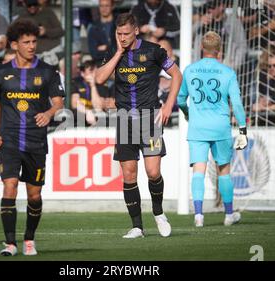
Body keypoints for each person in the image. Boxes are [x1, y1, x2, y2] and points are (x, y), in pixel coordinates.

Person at [95, 13, 182, 238]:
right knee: (129, 174)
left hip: (149, 118)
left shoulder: (153, 50)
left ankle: (159, 212)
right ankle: (137, 227)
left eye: (126, 34)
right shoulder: (115, 53)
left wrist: (168, 105)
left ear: (136, 31)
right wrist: (118, 52)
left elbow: (176, 75)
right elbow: (99, 79)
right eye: (119, 34)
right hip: (124, 119)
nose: (122, 38)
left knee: (153, 172)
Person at [0, 19, 64, 256]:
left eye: (34, 41)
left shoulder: (48, 71)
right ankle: (10, 243)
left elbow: (59, 103)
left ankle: (29, 239)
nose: (32, 46)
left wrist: (50, 113)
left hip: (36, 141)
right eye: (26, 42)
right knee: (9, 187)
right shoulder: (0, 72)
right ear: (13, 44)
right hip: (9, 140)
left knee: (34, 195)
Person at [177, 31, 248, 228]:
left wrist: (188, 113)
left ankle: (199, 215)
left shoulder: (190, 70)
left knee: (198, 171)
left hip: (198, 127)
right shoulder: (228, 72)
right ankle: (228, 214)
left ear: (202, 48)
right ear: (219, 50)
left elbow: (180, 99)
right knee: (224, 170)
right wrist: (242, 129)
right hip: (220, 128)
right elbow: (237, 103)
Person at [71, 60, 111, 126]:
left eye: (96, 71)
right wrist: (88, 112)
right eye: (91, 71)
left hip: (98, 120)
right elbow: (75, 104)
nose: (94, 74)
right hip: (79, 119)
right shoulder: (76, 83)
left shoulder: (102, 86)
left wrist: (93, 86)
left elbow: (98, 107)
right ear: (82, 73)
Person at [87, 0, 117, 65]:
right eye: (101, 6)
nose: (104, 9)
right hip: (101, 65)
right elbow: (94, 54)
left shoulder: (119, 24)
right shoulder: (93, 27)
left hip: (119, 64)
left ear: (112, 6)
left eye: (107, 6)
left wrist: (106, 47)